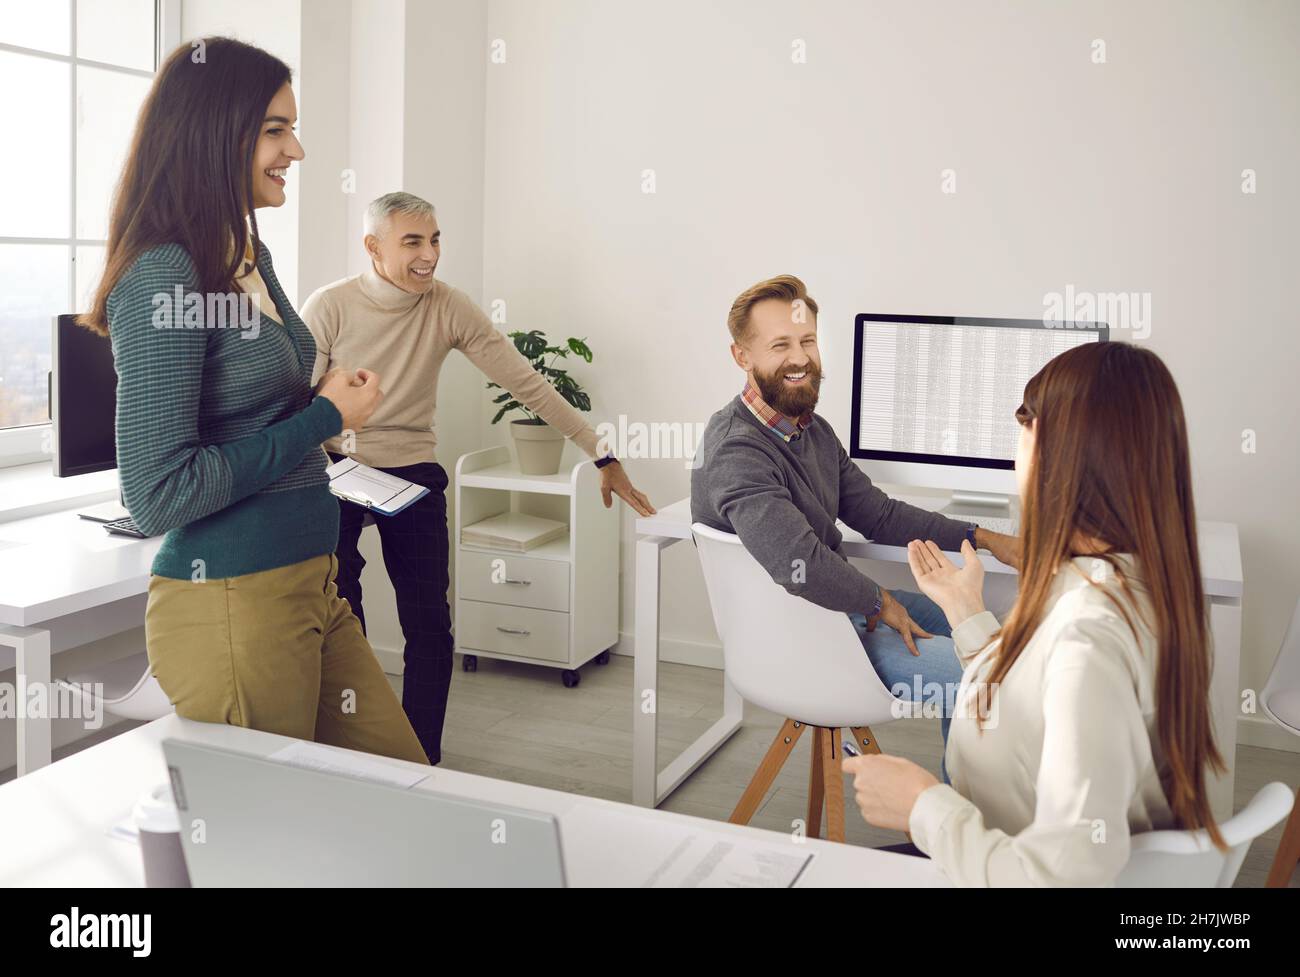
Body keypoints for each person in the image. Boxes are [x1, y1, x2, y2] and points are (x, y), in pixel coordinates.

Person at [79, 38, 427, 765]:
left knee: (403, 782)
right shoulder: (164, 274)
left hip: (311, 579)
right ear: (214, 130)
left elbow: (264, 414)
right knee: (270, 844)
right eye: (275, 129)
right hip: (234, 599)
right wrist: (324, 417)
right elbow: (155, 494)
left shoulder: (246, 253)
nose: (296, 149)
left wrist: (325, 409)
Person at [844, 341, 1226, 886]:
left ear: (1050, 444)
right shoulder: (1129, 584)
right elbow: (1035, 699)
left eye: (1024, 419)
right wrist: (966, 610)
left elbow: (1062, 875)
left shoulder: (1090, 637)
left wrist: (922, 805)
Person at [301, 192, 655, 764]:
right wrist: (321, 463)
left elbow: (527, 383)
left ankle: (422, 758)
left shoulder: (448, 306)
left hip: (412, 470)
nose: (430, 255)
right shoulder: (330, 306)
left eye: (435, 239)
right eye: (413, 241)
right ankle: (356, 750)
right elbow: (299, 401)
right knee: (341, 613)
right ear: (373, 247)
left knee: (431, 625)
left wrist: (601, 454)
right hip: (336, 467)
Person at [690, 275, 1019, 752]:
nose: (800, 358)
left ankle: (962, 803)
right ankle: (957, 822)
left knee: (989, 638)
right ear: (743, 357)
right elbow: (797, 565)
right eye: (780, 344)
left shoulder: (811, 431)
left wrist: (986, 538)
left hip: (838, 617)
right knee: (987, 681)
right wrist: (880, 603)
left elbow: (879, 516)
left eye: (807, 341)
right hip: (808, 645)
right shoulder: (736, 451)